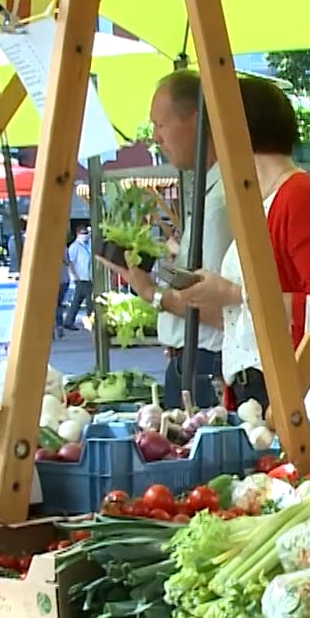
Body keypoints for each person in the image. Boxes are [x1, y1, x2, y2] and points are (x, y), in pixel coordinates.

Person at [171, 73, 310, 408]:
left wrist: (232, 294)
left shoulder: (299, 197)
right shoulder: (259, 202)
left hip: (303, 390)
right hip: (260, 390)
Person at [104, 70, 230, 408]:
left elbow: (218, 310)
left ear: (197, 120)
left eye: (160, 125)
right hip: (195, 362)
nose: (156, 138)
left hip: (205, 365)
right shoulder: (212, 192)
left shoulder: (219, 202)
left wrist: (151, 292)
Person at [62, 226, 93, 335]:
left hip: (88, 277)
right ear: (78, 234)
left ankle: (69, 321)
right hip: (81, 278)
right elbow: (71, 263)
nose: (86, 235)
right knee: (90, 300)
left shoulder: (88, 245)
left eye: (87, 233)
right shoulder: (74, 247)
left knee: (77, 300)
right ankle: (91, 321)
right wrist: (74, 276)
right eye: (83, 233)